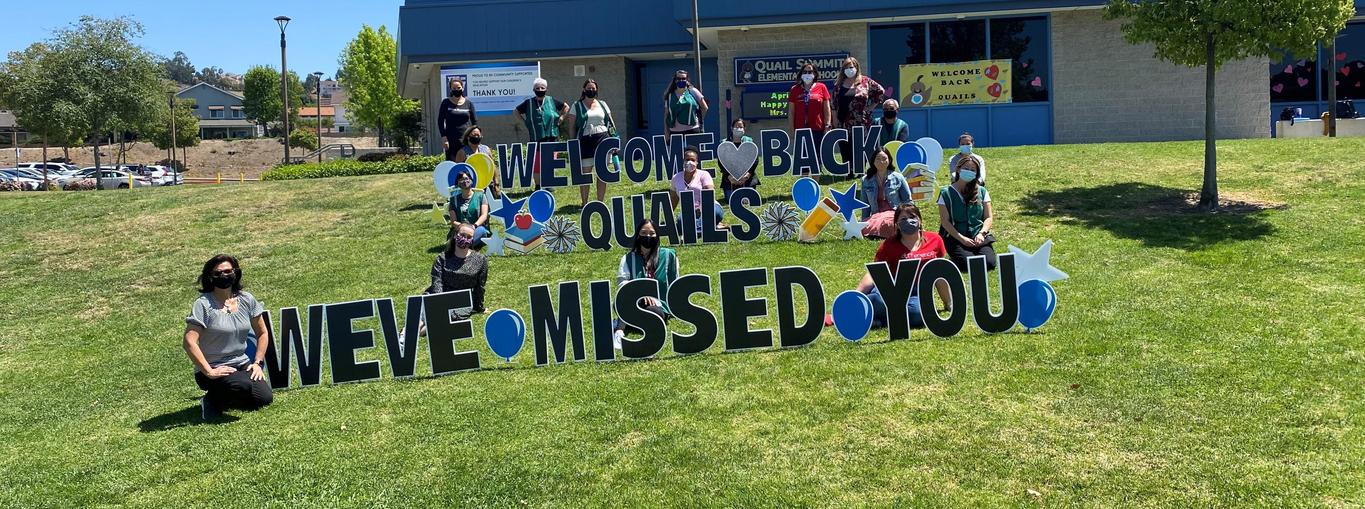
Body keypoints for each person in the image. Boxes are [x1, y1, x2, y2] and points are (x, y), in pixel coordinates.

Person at [183, 254, 273, 420]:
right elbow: (189, 341)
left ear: (235, 272)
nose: (223, 276)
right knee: (242, 385)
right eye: (217, 273)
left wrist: (258, 363)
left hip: (241, 364)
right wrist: (209, 371)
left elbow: (262, 333)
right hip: (212, 368)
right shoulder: (203, 304)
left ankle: (226, 396)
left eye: (227, 271)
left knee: (264, 398)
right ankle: (210, 400)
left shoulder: (247, 299)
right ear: (210, 278)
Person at [845, 203, 951, 329]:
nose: (909, 221)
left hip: (917, 293)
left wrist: (948, 302)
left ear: (920, 221)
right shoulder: (889, 245)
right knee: (876, 301)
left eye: (912, 217)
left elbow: (940, 274)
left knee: (919, 314)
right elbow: (875, 272)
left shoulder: (935, 240)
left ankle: (877, 321)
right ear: (897, 225)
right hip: (891, 289)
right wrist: (856, 294)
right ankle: (865, 309)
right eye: (903, 219)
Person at [613, 219, 679, 348]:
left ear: (657, 236)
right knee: (622, 301)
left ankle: (626, 323)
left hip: (658, 305)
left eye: (651, 233)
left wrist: (656, 299)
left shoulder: (669, 256)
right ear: (638, 236)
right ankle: (619, 331)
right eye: (644, 233)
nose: (648, 236)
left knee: (654, 313)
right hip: (633, 301)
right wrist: (641, 295)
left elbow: (675, 284)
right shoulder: (628, 258)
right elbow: (622, 284)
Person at [938, 155, 996, 272]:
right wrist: (962, 238)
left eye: (973, 170)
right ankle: (954, 260)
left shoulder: (982, 191)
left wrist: (982, 233)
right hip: (955, 237)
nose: (969, 172)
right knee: (968, 265)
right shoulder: (946, 193)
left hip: (978, 235)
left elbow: (988, 217)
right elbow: (945, 221)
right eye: (966, 168)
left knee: (990, 263)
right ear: (958, 169)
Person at [565, 79, 616, 206]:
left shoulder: (603, 104)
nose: (591, 90)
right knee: (586, 173)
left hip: (603, 139)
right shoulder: (576, 106)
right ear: (584, 89)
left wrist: (615, 141)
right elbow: (571, 127)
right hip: (586, 141)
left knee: (602, 172)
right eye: (589, 88)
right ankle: (585, 202)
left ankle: (600, 202)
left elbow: (611, 123)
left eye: (593, 88)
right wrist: (572, 144)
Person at [514, 78, 568, 189]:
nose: (540, 89)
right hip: (536, 138)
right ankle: (538, 185)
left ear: (546, 89)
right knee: (537, 164)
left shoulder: (551, 100)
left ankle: (549, 183)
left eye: (542, 88)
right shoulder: (528, 103)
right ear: (534, 90)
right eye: (537, 88)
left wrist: (561, 118)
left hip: (551, 137)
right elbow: (516, 111)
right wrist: (525, 122)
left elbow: (566, 107)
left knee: (550, 162)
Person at [429, 223, 489, 322]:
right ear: (455, 235)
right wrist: (440, 302)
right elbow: (437, 282)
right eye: (462, 235)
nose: (465, 238)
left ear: (472, 240)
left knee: (443, 319)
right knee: (425, 313)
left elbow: (480, 286)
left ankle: (410, 333)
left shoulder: (480, 260)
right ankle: (405, 333)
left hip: (463, 300)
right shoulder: (442, 258)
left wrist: (479, 307)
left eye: (469, 237)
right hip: (440, 296)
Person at [833, 57, 885, 167]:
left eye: (851, 67)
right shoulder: (838, 84)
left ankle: (859, 169)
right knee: (845, 147)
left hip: (861, 122)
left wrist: (871, 107)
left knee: (860, 147)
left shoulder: (866, 81)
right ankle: (848, 170)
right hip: (843, 122)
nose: (849, 69)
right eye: (846, 67)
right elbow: (834, 104)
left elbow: (880, 91)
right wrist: (835, 120)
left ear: (856, 67)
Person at [787, 62, 831, 176]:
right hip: (800, 130)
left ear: (815, 74)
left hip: (817, 129)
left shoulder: (822, 87)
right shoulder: (794, 89)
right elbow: (791, 112)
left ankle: (816, 185)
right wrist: (791, 129)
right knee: (803, 159)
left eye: (810, 72)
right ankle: (804, 185)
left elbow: (827, 109)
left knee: (816, 158)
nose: (807, 74)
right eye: (805, 72)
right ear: (801, 74)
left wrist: (827, 125)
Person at [859, 147, 911, 238]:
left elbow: (907, 200)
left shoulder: (898, 177)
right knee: (867, 226)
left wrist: (909, 217)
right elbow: (865, 204)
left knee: (891, 223)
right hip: (876, 215)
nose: (881, 162)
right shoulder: (866, 180)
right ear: (873, 161)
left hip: (894, 213)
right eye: (878, 159)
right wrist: (863, 222)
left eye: (884, 159)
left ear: (889, 160)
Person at [669, 146, 726, 229]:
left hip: (709, 207)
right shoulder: (676, 178)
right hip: (688, 210)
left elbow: (710, 193)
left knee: (715, 213)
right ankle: (712, 226)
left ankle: (692, 230)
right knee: (680, 222)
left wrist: (701, 208)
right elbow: (674, 199)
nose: (689, 162)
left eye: (692, 160)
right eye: (687, 159)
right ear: (683, 161)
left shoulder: (704, 174)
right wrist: (668, 216)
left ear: (697, 163)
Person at [447, 168, 492, 248]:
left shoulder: (481, 196)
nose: (464, 181)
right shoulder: (453, 200)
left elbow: (484, 215)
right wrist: (463, 228)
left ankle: (462, 245)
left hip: (477, 228)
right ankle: (462, 244)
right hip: (460, 229)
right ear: (457, 183)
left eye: (467, 178)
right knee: (458, 235)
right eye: (461, 179)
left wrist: (473, 226)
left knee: (480, 231)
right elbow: (453, 221)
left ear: (471, 181)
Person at [718, 118, 759, 202]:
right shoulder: (724, 143)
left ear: (744, 129)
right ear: (731, 128)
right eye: (736, 126)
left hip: (747, 178)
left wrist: (747, 175)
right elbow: (721, 162)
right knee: (731, 200)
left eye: (741, 127)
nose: (738, 128)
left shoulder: (749, 142)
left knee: (749, 200)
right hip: (730, 179)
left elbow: (755, 160)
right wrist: (730, 176)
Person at [438, 81, 477, 162]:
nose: (457, 90)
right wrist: (444, 137)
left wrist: (475, 137)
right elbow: (440, 121)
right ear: (450, 89)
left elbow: (475, 122)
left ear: (462, 88)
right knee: (452, 164)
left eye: (459, 88)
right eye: (454, 88)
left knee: (467, 163)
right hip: (451, 140)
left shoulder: (469, 103)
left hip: (466, 140)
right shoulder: (446, 103)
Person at [663, 70, 708, 137]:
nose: (681, 80)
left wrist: (699, 120)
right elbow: (666, 115)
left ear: (687, 80)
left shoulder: (693, 91)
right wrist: (666, 132)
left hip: (692, 130)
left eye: (683, 79)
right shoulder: (670, 95)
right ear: (675, 80)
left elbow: (705, 108)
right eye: (678, 78)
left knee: (693, 147)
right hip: (675, 132)